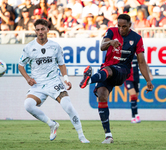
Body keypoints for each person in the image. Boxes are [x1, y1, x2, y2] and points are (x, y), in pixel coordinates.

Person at [79, 14, 154, 144]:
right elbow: (102, 46)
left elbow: (141, 62)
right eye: (119, 26)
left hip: (123, 70)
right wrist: (110, 42)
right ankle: (108, 136)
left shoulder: (137, 38)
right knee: (102, 96)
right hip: (106, 69)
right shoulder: (112, 31)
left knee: (109, 70)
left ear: (130, 25)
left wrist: (148, 80)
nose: (121, 29)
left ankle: (89, 80)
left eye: (124, 26)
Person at [18, 19, 90, 143]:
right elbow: (20, 65)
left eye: (42, 29)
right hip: (38, 85)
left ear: (47, 30)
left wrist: (66, 79)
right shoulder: (29, 47)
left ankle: (81, 136)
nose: (40, 32)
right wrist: (28, 79)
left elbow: (61, 64)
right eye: (38, 30)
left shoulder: (55, 46)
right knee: (28, 105)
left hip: (54, 82)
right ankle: (51, 124)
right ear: (35, 31)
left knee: (68, 106)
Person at [124, 54, 153, 124]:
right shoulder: (125, 55)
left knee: (135, 98)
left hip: (136, 79)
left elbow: (144, 64)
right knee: (133, 96)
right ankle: (136, 115)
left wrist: (149, 74)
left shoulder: (137, 56)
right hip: (128, 79)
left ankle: (133, 117)